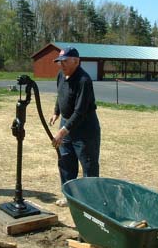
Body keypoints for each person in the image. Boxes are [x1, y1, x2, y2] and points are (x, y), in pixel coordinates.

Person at [49, 47, 101, 207]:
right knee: (66, 163)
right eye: (59, 62)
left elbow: (80, 112)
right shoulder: (61, 75)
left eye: (65, 61)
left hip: (85, 128)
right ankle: (70, 197)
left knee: (88, 165)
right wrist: (56, 112)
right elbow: (60, 94)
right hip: (66, 123)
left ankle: (90, 201)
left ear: (76, 61)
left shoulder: (83, 80)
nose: (61, 65)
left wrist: (62, 132)